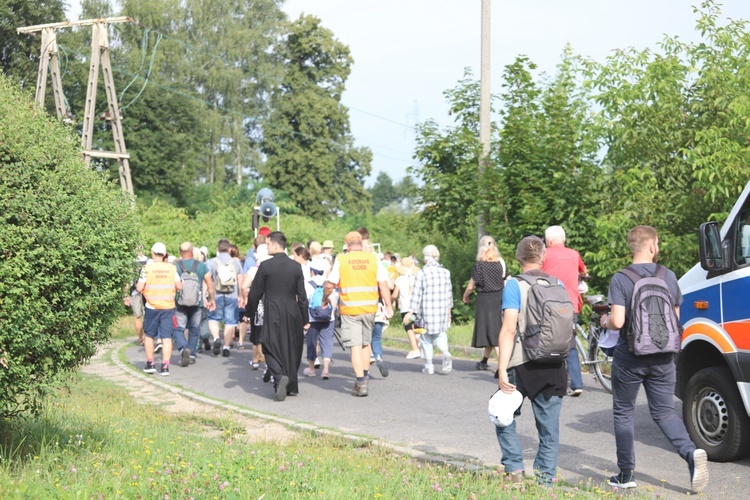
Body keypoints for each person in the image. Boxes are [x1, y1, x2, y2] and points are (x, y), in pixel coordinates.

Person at [600, 225, 709, 492]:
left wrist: (605, 321)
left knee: (624, 411)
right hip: (664, 354)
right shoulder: (668, 276)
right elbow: (675, 318)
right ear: (652, 246)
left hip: (631, 354)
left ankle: (626, 475)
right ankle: (689, 452)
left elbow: (618, 320)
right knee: (664, 411)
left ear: (632, 246)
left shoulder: (621, 278)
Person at [495, 235, 566, 485]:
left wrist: (501, 368)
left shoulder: (514, 285)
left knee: (503, 415)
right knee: (549, 427)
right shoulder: (558, 284)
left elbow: (509, 328)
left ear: (517, 257)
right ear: (543, 257)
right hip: (554, 363)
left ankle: (514, 468)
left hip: (521, 362)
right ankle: (546, 480)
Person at [323, 231, 393, 397]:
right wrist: (389, 306)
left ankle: (360, 383)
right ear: (361, 244)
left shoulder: (342, 259)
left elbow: (329, 285)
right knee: (365, 343)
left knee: (355, 346)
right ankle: (366, 376)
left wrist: (325, 299)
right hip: (370, 309)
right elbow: (383, 285)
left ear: (347, 245)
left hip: (350, 309)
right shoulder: (373, 259)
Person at [248, 231, 309, 401]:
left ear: (275, 245)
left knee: (269, 345)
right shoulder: (296, 266)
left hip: (273, 310)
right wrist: (306, 319)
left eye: (267, 244)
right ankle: (290, 385)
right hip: (293, 311)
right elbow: (302, 296)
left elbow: (255, 293)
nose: (266, 247)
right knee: (291, 347)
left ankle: (279, 375)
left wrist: (248, 313)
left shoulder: (266, 266)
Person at [541, 225, 588, 397]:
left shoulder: (544, 254)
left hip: (549, 304)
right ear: (564, 239)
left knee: (548, 342)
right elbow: (584, 271)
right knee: (570, 343)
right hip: (571, 305)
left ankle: (551, 382)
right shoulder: (574, 254)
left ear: (549, 240)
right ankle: (577, 384)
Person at [405, 245, 453, 375]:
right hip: (442, 310)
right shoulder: (446, 272)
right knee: (441, 334)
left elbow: (416, 295)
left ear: (426, 257)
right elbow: (449, 294)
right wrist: (449, 312)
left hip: (426, 310)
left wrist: (411, 312)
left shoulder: (422, 273)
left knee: (426, 338)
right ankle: (445, 351)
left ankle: (429, 365)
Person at [136, 242, 182, 376]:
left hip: (151, 306)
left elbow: (139, 288)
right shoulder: (172, 268)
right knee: (167, 336)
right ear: (165, 254)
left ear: (152, 253)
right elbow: (179, 286)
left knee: (149, 335)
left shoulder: (147, 268)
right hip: (168, 307)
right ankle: (165, 366)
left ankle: (150, 363)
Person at [463, 235, 506, 373]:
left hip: (485, 300)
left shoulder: (479, 266)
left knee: (492, 332)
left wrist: (465, 296)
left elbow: (471, 286)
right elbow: (507, 278)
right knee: (492, 330)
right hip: (499, 298)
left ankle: (503, 367)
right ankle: (484, 361)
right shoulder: (500, 263)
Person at [173, 242, 215, 366]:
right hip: (198, 303)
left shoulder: (175, 266)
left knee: (178, 328)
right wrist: (212, 299)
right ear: (192, 252)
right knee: (194, 329)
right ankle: (191, 353)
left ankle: (182, 348)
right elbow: (210, 284)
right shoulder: (201, 266)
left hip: (180, 302)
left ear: (180, 252)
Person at [206, 238, 245, 357]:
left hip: (216, 295)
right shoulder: (236, 262)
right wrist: (241, 296)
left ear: (217, 249)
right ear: (229, 249)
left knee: (213, 319)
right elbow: (240, 280)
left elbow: (208, 280)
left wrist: (209, 297)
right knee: (230, 322)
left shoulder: (211, 262)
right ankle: (226, 347)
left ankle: (217, 337)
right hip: (232, 295)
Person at [392, 257, 421, 358]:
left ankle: (415, 349)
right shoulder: (418, 276)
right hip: (417, 306)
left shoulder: (399, 279)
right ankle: (420, 343)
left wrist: (390, 300)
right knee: (417, 326)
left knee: (408, 327)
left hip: (405, 307)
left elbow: (395, 295)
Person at [124, 248, 148, 346]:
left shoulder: (130, 262)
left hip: (134, 292)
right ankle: (147, 337)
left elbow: (127, 281)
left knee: (137, 316)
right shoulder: (149, 261)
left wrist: (125, 295)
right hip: (147, 291)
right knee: (148, 315)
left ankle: (140, 338)